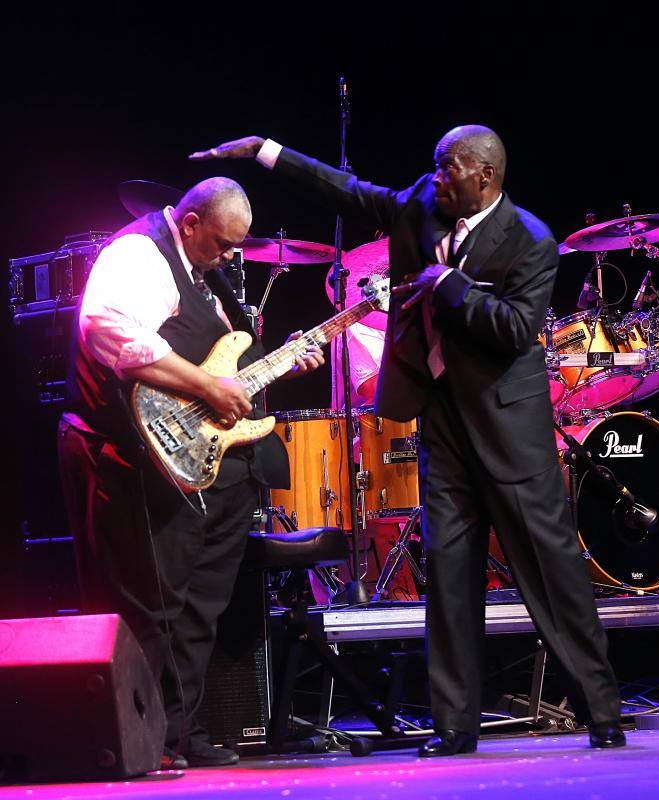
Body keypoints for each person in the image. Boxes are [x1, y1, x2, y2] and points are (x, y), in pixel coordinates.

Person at [189, 128, 624, 754]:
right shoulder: (422, 202)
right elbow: (345, 190)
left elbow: (515, 327)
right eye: (435, 166)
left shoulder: (530, 239)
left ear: (484, 176)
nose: (435, 177)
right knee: (449, 571)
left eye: (448, 169)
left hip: (510, 427)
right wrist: (267, 152)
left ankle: (600, 711)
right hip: (441, 417)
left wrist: (451, 286)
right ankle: (455, 726)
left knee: (550, 573)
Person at [58, 177, 324, 769]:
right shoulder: (139, 253)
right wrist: (206, 385)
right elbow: (107, 327)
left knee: (199, 608)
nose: (234, 257)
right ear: (191, 223)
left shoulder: (207, 276)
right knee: (150, 605)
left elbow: (226, 367)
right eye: (226, 245)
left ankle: (175, 734)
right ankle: (126, 737)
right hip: (132, 455)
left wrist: (279, 367)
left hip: (206, 463)